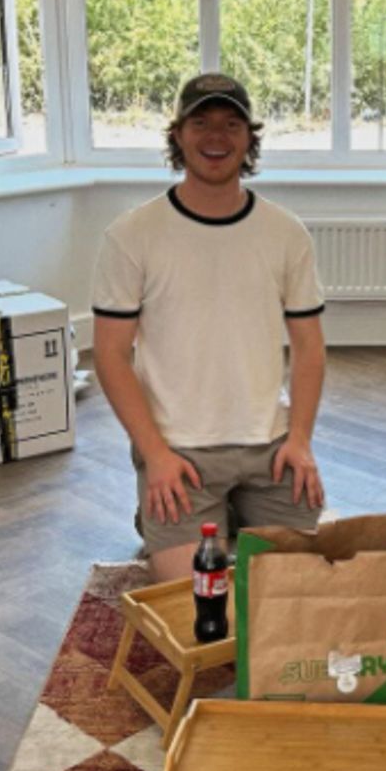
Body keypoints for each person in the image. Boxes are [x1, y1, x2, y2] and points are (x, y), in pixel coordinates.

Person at [91, 72, 326, 582]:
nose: (216, 137)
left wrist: (300, 441)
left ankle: (226, 515)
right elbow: (110, 355)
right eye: (201, 123)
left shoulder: (286, 233)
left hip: (270, 446)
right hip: (178, 449)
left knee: (293, 589)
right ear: (178, 135)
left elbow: (309, 347)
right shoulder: (131, 235)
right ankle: (171, 516)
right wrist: (155, 455)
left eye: (231, 124)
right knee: (198, 595)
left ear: (249, 138)